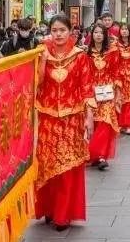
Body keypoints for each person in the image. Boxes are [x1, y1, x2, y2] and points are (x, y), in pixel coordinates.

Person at [35, 15, 95, 231]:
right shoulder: (42, 53)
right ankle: (49, 209)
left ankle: (63, 214)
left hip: (72, 118)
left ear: (71, 31)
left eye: (62, 30)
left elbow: (87, 86)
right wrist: (41, 61)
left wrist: (89, 117)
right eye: (54, 30)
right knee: (48, 163)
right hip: (48, 117)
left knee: (67, 166)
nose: (58, 34)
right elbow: (37, 83)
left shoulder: (79, 56)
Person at [87, 23, 122, 170]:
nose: (98, 35)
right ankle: (93, 155)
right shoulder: (86, 54)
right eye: (96, 32)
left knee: (105, 122)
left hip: (107, 93)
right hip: (91, 93)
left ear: (105, 35)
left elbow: (116, 72)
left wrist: (118, 91)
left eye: (101, 32)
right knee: (92, 124)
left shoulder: (112, 52)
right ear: (92, 35)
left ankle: (101, 155)